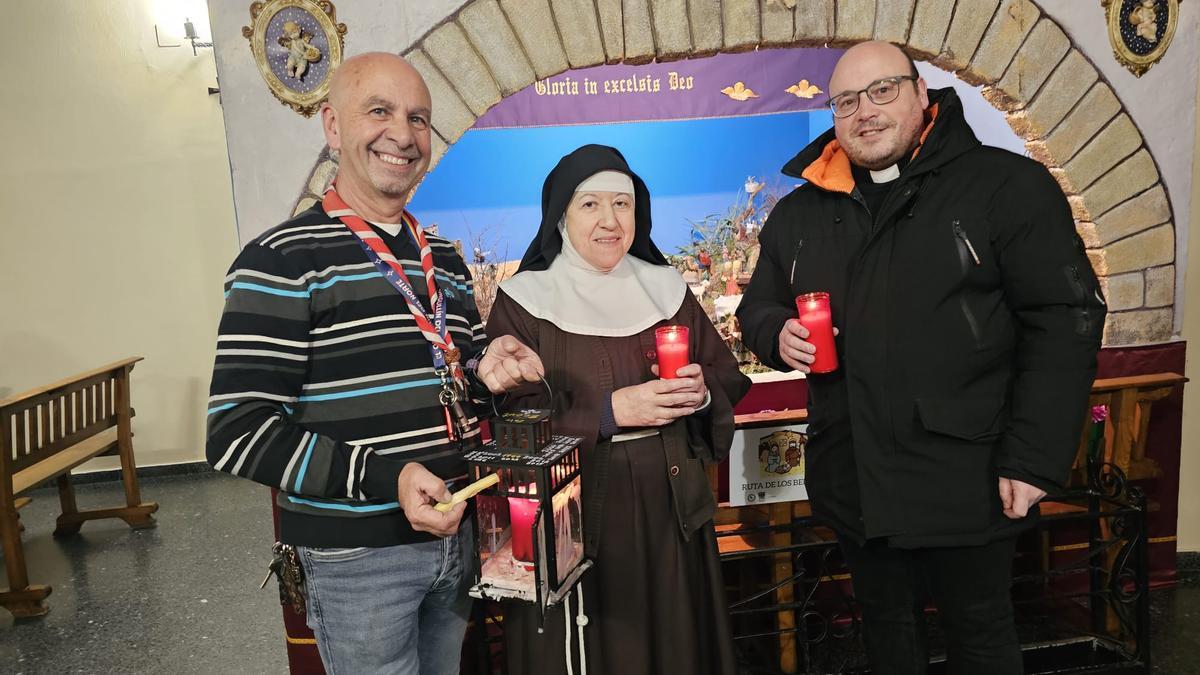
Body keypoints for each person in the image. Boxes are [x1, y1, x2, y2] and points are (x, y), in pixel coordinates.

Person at [737, 41, 1106, 674]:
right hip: (855, 470)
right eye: (847, 101)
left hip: (971, 469)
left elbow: (1064, 318)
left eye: (882, 91)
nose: (865, 112)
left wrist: (1034, 458)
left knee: (981, 633)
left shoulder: (1004, 186)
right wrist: (777, 333)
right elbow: (757, 306)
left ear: (920, 93)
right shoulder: (802, 211)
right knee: (886, 633)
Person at [206, 52, 543, 674]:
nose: (403, 134)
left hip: (453, 536)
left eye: (417, 118)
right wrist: (385, 479)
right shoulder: (279, 260)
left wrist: (487, 375)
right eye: (379, 111)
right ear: (333, 126)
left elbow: (455, 379)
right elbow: (236, 432)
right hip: (357, 559)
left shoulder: (440, 256)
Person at [485, 144, 751, 675]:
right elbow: (512, 422)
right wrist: (609, 412)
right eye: (590, 206)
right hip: (575, 519)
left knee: (674, 647)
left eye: (622, 205)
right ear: (561, 214)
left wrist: (698, 394)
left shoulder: (666, 288)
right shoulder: (523, 301)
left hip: (669, 514)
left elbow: (725, 375)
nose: (610, 221)